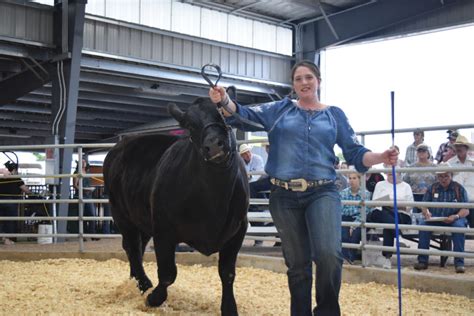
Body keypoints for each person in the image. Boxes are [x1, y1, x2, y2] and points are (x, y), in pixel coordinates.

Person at [209, 60, 399, 316]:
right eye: (298, 79)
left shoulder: (335, 115)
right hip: (283, 195)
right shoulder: (280, 109)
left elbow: (355, 152)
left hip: (323, 191)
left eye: (309, 77)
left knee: (329, 255)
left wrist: (381, 157)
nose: (304, 82)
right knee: (297, 264)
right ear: (293, 85)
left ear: (319, 81)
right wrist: (223, 101)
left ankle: (327, 311)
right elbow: (244, 114)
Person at [414, 164, 469, 273]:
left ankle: (459, 263)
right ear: (437, 177)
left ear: (451, 175)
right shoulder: (432, 188)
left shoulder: (459, 188)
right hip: (435, 218)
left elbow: (466, 209)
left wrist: (456, 216)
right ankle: (422, 261)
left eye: (446, 176)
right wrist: (426, 212)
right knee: (423, 225)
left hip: (455, 218)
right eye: (440, 176)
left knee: (459, 227)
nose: (443, 179)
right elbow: (424, 205)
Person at [368, 163, 414, 269]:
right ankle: (399, 236)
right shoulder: (380, 184)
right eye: (388, 174)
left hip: (400, 213)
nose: (390, 176)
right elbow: (375, 202)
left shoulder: (406, 186)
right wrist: (391, 204)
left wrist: (393, 204)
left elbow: (410, 206)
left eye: (393, 174)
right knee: (384, 215)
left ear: (399, 174)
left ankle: (387, 258)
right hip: (381, 212)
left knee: (388, 225)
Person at [339, 171, 371, 263]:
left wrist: (353, 225)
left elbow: (365, 211)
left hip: (359, 219)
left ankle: (351, 258)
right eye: (350, 178)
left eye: (354, 178)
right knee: (344, 235)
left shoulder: (366, 194)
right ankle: (345, 258)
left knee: (355, 235)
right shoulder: (343, 193)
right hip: (345, 217)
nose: (351, 180)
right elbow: (341, 210)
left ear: (359, 180)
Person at [0, 161, 31, 245]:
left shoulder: (1, 177)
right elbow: (26, 190)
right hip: (11, 202)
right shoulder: (16, 178)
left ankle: (2, 237)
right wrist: (30, 192)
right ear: (14, 170)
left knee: (1, 220)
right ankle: (9, 239)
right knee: (10, 221)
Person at [448, 134, 474, 227]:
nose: (458, 148)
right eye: (457, 146)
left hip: (472, 200)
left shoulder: (473, 162)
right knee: (456, 226)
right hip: (456, 201)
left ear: (466, 148)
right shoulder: (450, 163)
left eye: (461, 146)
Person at [403, 143, 436, 207]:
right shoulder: (411, 167)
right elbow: (405, 181)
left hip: (431, 197)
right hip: (414, 196)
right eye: (419, 151)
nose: (421, 153)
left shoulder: (435, 167)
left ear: (428, 153)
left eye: (423, 151)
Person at [73, 159, 97, 239]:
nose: (84, 163)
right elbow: (75, 186)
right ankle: (82, 235)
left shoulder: (87, 173)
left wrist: (89, 189)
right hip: (81, 196)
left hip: (88, 196)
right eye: (82, 162)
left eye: (84, 162)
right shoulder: (76, 173)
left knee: (92, 215)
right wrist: (86, 189)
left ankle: (92, 234)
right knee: (81, 216)